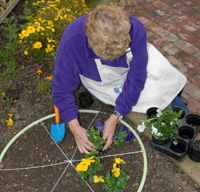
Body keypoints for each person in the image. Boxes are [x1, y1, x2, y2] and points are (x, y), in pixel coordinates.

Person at [51, 4, 188, 154]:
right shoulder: (72, 42)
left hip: (132, 68)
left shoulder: (135, 28)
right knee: (152, 97)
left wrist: (116, 116)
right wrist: (75, 127)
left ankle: (178, 105)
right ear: (92, 43)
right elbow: (61, 88)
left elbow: (136, 77)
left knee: (168, 77)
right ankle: (175, 107)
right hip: (102, 81)